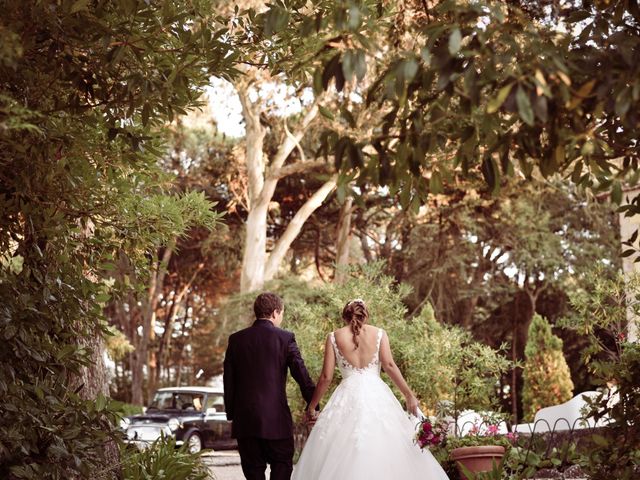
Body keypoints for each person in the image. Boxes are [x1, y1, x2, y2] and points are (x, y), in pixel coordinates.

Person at [292, 299, 450, 480]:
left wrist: (312, 406)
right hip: (376, 394)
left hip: (346, 395)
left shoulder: (334, 337)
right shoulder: (380, 334)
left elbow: (326, 377)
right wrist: (409, 395)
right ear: (365, 315)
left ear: (345, 316)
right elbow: (390, 365)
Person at [223, 292, 316, 480]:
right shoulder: (285, 338)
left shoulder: (236, 340)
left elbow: (229, 380)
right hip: (276, 421)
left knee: (253, 472)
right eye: (281, 313)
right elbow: (301, 375)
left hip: (246, 422)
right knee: (282, 467)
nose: (281, 318)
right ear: (275, 312)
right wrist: (313, 404)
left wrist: (232, 413)